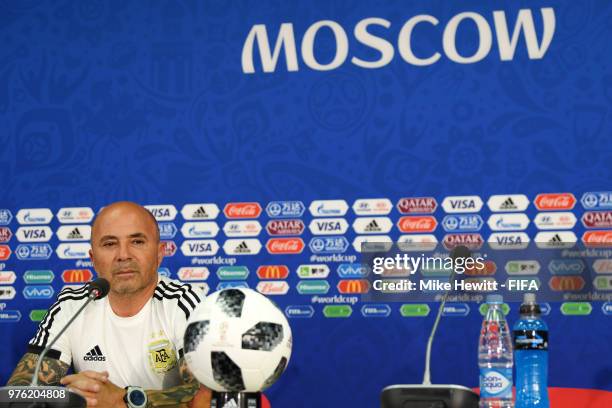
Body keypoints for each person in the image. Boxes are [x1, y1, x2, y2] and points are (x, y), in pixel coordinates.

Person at [7, 201, 211, 407]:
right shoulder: (72, 306)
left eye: (137, 242)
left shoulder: (185, 303)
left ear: (159, 254)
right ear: (93, 259)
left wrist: (122, 400)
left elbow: (201, 397)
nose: (123, 255)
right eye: (110, 244)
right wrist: (72, 398)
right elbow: (19, 393)